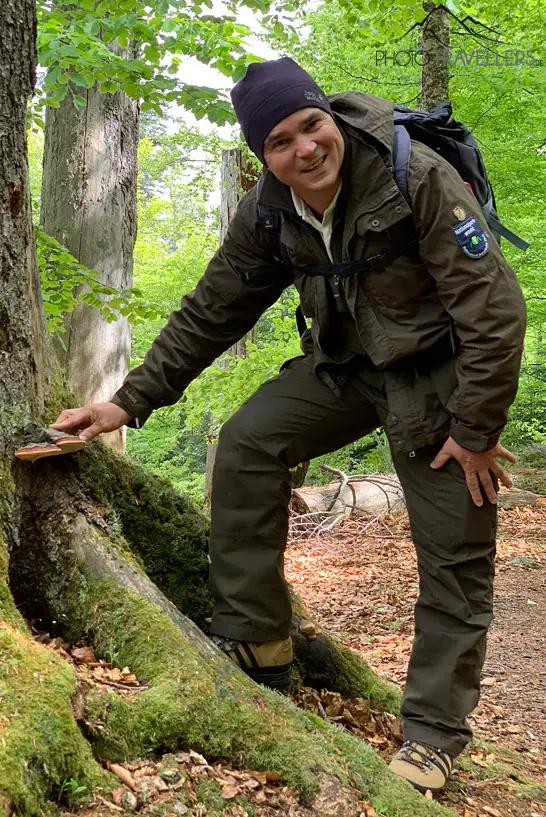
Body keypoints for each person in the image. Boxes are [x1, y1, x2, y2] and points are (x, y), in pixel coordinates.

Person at [52, 58, 527, 792]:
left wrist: (475, 429)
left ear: (329, 119)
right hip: (345, 367)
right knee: (247, 442)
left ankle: (432, 737)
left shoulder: (415, 178)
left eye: (312, 126)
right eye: (280, 141)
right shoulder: (268, 211)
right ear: (263, 156)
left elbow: (494, 312)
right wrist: (127, 401)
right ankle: (257, 639)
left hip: (439, 379)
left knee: (456, 551)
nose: (306, 149)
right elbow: (212, 310)